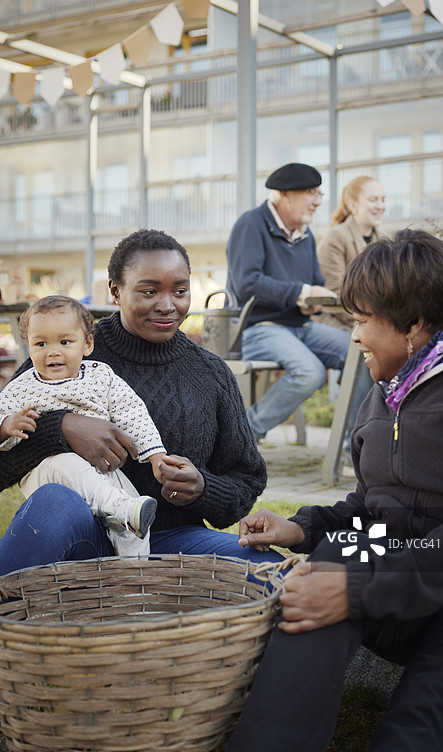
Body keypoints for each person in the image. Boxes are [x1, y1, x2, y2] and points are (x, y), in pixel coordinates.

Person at [225, 229, 443, 752]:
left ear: (415, 324)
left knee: (413, 731)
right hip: (408, 588)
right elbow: (374, 508)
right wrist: (302, 527)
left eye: (362, 320)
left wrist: (357, 590)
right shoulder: (388, 390)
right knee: (332, 559)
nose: (354, 337)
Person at [0, 229, 283, 576]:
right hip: (83, 537)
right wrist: (59, 429)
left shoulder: (211, 374)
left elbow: (247, 479)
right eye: (149, 291)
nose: (167, 305)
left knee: (272, 569)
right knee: (54, 500)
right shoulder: (62, 350)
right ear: (115, 291)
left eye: (180, 291)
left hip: (173, 541)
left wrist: (203, 489)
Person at [0, 295, 165, 557]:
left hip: (101, 470)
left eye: (65, 342)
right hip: (49, 471)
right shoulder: (21, 387)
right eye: (41, 343)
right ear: (28, 346)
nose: (52, 351)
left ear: (87, 344)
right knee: (68, 464)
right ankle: (120, 510)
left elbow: (131, 412)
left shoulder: (102, 376)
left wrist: (156, 456)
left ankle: (134, 574)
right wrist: (6, 425)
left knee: (134, 516)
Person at [225, 163, 351, 441]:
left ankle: (355, 441)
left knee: (361, 352)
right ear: (284, 194)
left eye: (319, 194)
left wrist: (310, 300)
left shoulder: (306, 234)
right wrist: (299, 293)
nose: (318, 201)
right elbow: (247, 285)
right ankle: (240, 436)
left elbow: (314, 281)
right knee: (310, 373)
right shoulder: (250, 225)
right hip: (257, 328)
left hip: (300, 327)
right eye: (310, 193)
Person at [315, 176, 386, 443]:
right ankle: (354, 443)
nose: (380, 205)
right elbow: (334, 293)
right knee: (366, 349)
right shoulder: (337, 237)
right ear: (353, 204)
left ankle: (386, 433)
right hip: (336, 321)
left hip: (369, 321)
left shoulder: (383, 240)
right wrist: (372, 320)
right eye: (373, 199)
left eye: (383, 200)